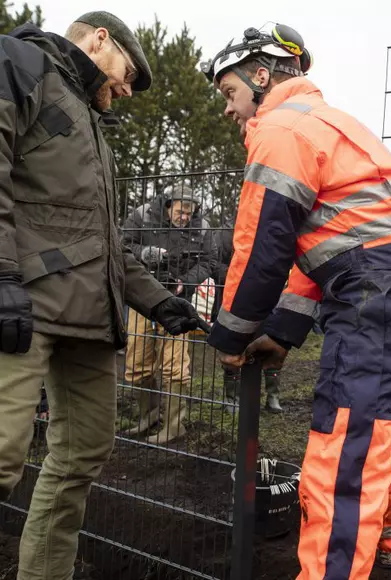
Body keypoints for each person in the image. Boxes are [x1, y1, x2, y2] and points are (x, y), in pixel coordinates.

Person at [201, 24, 391, 578]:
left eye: (229, 93)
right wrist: (284, 332)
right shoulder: (332, 122)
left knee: (345, 446)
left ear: (260, 76)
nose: (228, 109)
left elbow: (263, 247)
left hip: (373, 294)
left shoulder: (281, 130)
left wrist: (231, 337)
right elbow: (327, 249)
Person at [0, 12, 205, 579]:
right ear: (99, 39)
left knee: (82, 454)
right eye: (129, 75)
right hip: (24, 307)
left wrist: (160, 301)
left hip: (88, 320)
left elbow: (106, 243)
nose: (127, 90)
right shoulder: (19, 64)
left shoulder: (92, 131)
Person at [121, 183, 218, 443]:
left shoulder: (204, 228)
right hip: (143, 298)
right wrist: (145, 253)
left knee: (175, 367)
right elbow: (122, 245)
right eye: (180, 211)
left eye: (189, 212)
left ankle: (175, 425)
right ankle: (148, 416)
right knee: (136, 363)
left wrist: (184, 283)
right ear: (168, 205)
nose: (184, 217)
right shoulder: (142, 216)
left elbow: (209, 261)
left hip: (178, 301)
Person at [212, 216, 283, 414]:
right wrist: (240, 277)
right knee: (232, 347)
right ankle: (232, 399)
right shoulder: (224, 234)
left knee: (271, 346)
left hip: (266, 299)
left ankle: (273, 396)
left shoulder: (269, 229)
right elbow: (213, 265)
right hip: (231, 298)